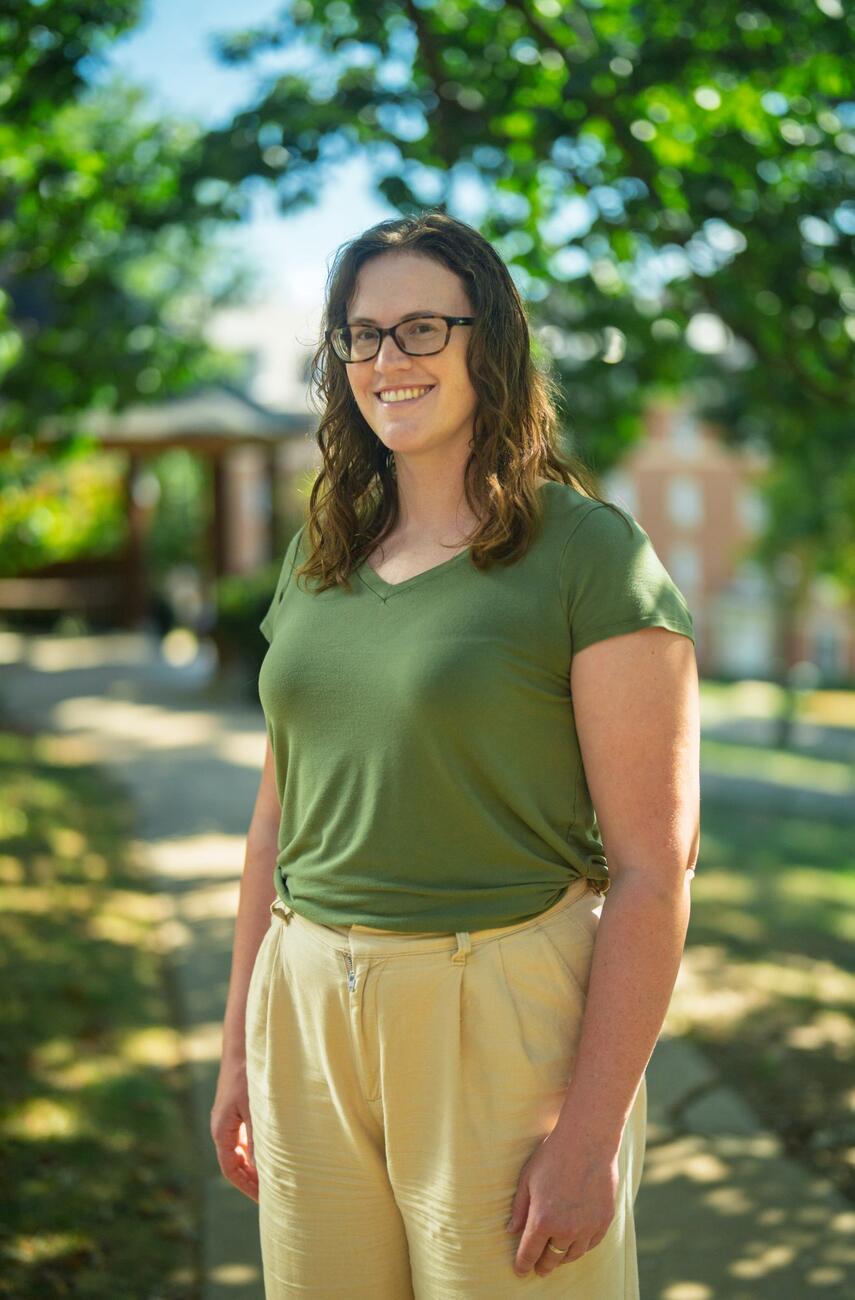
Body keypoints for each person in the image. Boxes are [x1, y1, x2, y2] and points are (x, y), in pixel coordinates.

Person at [211, 209, 700, 1298]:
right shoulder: (319, 556)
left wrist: (586, 1135)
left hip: (500, 1018)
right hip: (304, 1012)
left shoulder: (589, 553)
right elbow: (273, 829)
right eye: (363, 335)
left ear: (494, 341)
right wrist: (240, 1045)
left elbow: (654, 867)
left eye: (423, 327)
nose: (390, 359)